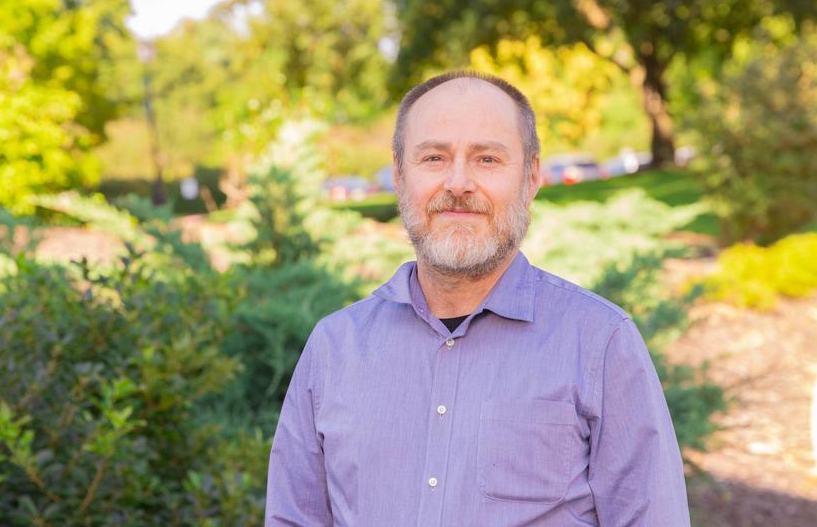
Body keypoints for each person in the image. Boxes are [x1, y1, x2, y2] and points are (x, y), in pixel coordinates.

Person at [265, 71, 690, 526]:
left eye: (487, 159)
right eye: (433, 157)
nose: (458, 183)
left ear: (530, 179)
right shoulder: (334, 348)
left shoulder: (600, 343)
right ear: (399, 176)